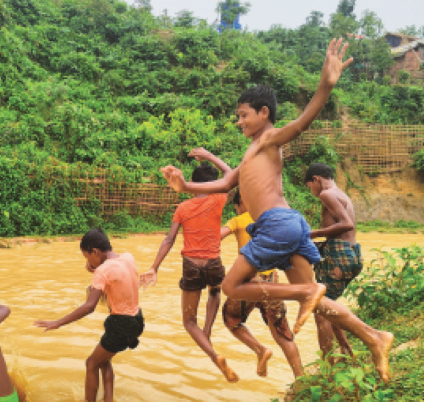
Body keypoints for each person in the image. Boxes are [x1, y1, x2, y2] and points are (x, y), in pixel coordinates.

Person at [159, 38, 393, 381]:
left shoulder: (269, 140)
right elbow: (225, 184)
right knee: (322, 304)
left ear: (263, 113)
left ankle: (305, 292)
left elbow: (300, 124)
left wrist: (325, 87)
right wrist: (185, 187)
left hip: (275, 224)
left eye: (243, 115)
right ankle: (375, 337)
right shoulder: (252, 151)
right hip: (291, 225)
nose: (239, 122)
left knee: (232, 288)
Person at [141, 154, 239, 383]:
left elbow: (169, 239)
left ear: (193, 184)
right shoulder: (219, 199)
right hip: (214, 262)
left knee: (188, 321)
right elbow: (230, 174)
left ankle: (214, 355)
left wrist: (154, 267)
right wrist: (208, 155)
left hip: (192, 266)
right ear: (214, 184)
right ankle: (207, 332)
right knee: (215, 291)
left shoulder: (183, 208)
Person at [34, 228, 144, 402]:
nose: (87, 261)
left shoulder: (102, 271)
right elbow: (115, 275)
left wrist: (58, 322)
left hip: (120, 324)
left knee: (91, 363)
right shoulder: (127, 257)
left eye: (87, 257)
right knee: (103, 359)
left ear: (95, 251)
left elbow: (89, 306)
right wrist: (94, 267)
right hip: (137, 319)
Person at [220, 188, 304, 379]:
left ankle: (260, 350)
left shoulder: (239, 220)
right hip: (271, 281)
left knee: (231, 320)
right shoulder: (271, 219)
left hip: (247, 281)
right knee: (281, 331)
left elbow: (219, 235)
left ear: (239, 204)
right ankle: (301, 377)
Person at [305, 162, 363, 361]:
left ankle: (328, 365)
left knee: (319, 308)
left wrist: (312, 234)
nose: (311, 191)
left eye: (309, 186)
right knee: (329, 305)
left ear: (316, 180)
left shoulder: (327, 194)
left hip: (340, 256)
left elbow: (346, 224)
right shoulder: (341, 193)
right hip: (351, 254)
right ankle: (346, 350)